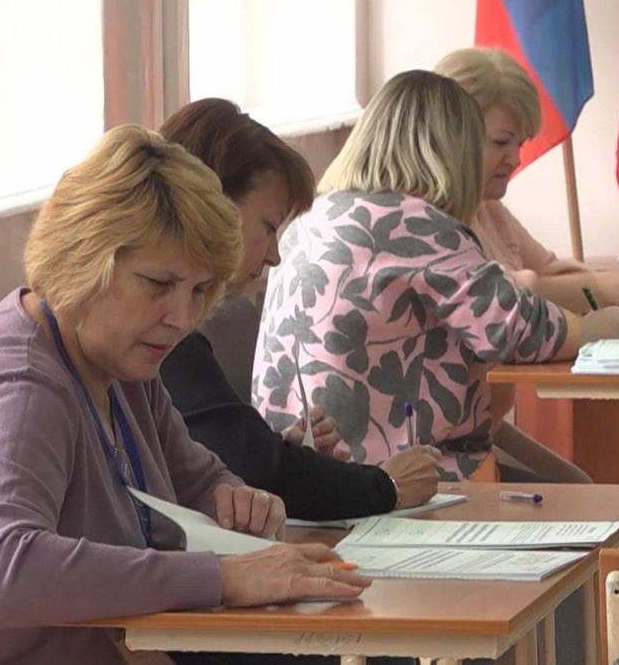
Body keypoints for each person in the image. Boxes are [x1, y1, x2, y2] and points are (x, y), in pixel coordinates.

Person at [0, 125, 370, 665]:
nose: (182, 317)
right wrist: (223, 577)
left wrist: (234, 496)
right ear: (85, 260)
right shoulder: (17, 392)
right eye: (159, 285)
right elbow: (1, 572)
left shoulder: (117, 362)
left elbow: (193, 477)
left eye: (200, 290)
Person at [250, 69, 619, 491]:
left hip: (292, 470)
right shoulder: (416, 225)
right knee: (582, 500)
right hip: (389, 478)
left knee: (572, 485)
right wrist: (601, 327)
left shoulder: (313, 215)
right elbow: (516, 329)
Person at [157, 98, 441, 525]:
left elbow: (222, 459)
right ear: (211, 209)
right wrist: (386, 486)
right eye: (269, 227)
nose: (274, 256)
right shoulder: (162, 335)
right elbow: (252, 466)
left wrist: (283, 451)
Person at [433, 47, 619, 316]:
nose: (515, 159)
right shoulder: (423, 220)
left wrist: (593, 293)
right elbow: (500, 296)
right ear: (452, 134)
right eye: (501, 142)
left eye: (520, 144)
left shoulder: (490, 209)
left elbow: (555, 275)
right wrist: (599, 290)